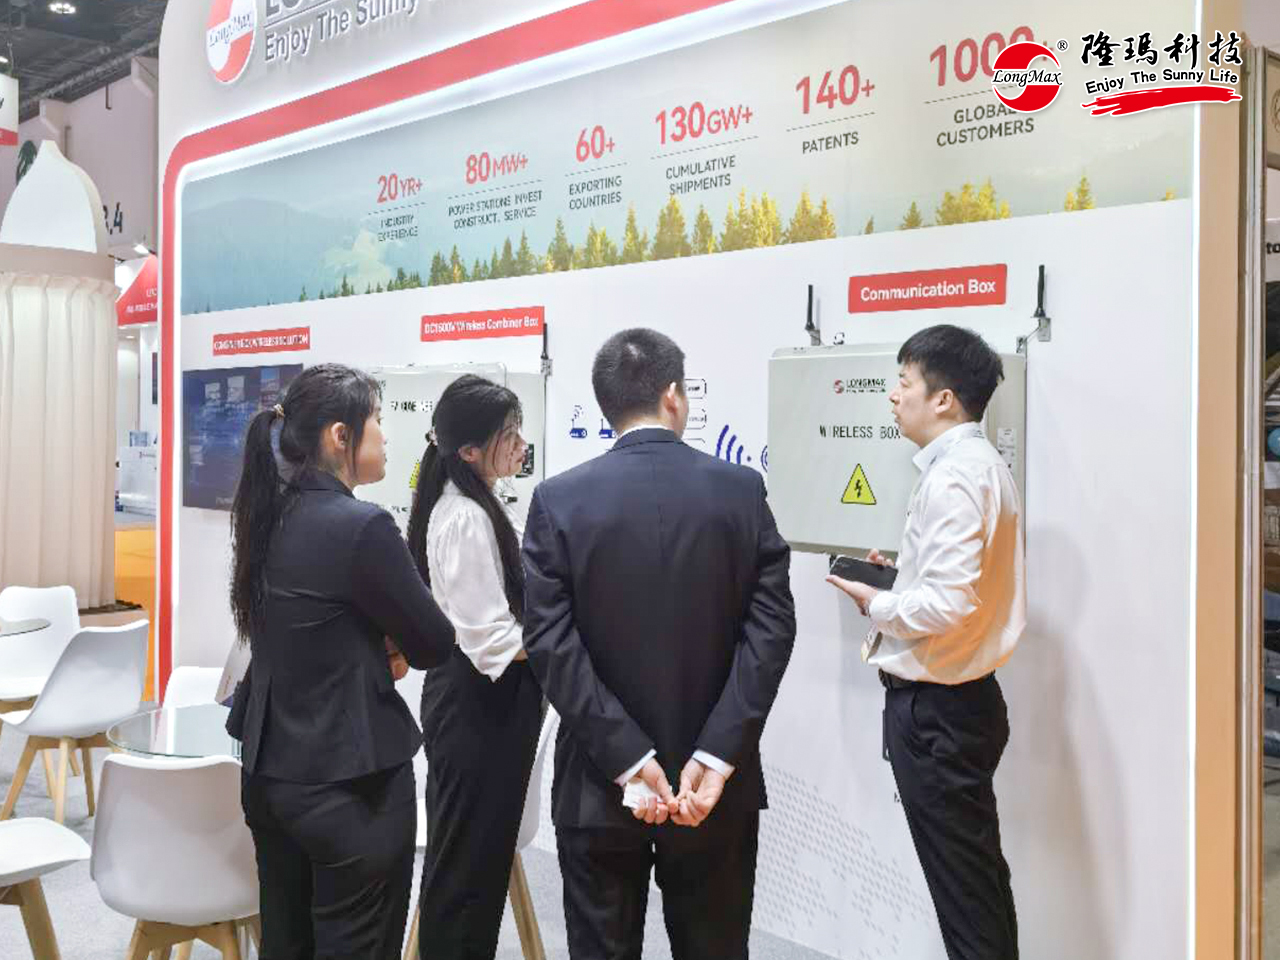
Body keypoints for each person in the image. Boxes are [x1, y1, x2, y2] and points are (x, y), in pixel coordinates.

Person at [521, 328, 796, 960]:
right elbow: (772, 627)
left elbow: (550, 643)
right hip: (713, 793)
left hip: (598, 783)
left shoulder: (558, 500)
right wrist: (717, 754)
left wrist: (626, 756)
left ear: (606, 405)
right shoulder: (740, 490)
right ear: (674, 395)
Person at [227, 363, 456, 960]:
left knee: (287, 944)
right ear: (339, 436)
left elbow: (311, 632)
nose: (384, 433)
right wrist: (389, 645)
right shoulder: (362, 526)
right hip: (350, 789)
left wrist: (374, 644)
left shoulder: (266, 514)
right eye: (376, 419)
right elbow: (434, 642)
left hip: (270, 776)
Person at [827, 324, 1025, 960]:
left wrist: (876, 600)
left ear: (943, 399)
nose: (894, 395)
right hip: (961, 705)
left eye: (904, 382)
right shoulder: (977, 467)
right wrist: (901, 578)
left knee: (966, 897)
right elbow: (954, 587)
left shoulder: (953, 477)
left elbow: (947, 603)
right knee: (977, 884)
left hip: (939, 715)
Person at [405, 374, 542, 960]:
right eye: (508, 435)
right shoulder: (463, 517)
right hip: (479, 708)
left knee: (475, 864)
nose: (520, 445)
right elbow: (490, 642)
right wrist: (562, 635)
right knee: (465, 872)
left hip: (488, 708)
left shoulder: (481, 505)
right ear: (467, 450)